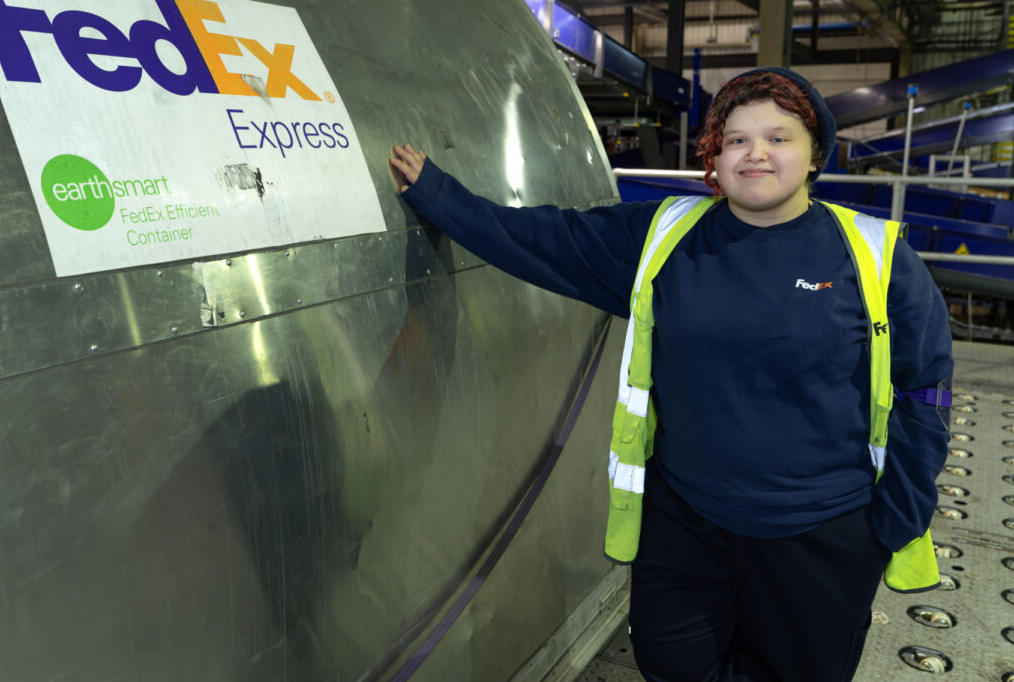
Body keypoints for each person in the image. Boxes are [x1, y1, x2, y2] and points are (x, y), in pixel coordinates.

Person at [388, 67, 953, 682]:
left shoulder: (876, 255)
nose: (756, 154)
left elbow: (926, 389)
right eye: (736, 140)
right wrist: (439, 196)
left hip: (819, 535)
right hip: (686, 525)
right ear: (715, 155)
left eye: (778, 137)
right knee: (670, 663)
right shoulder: (665, 236)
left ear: (816, 153)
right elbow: (547, 240)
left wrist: (895, 517)